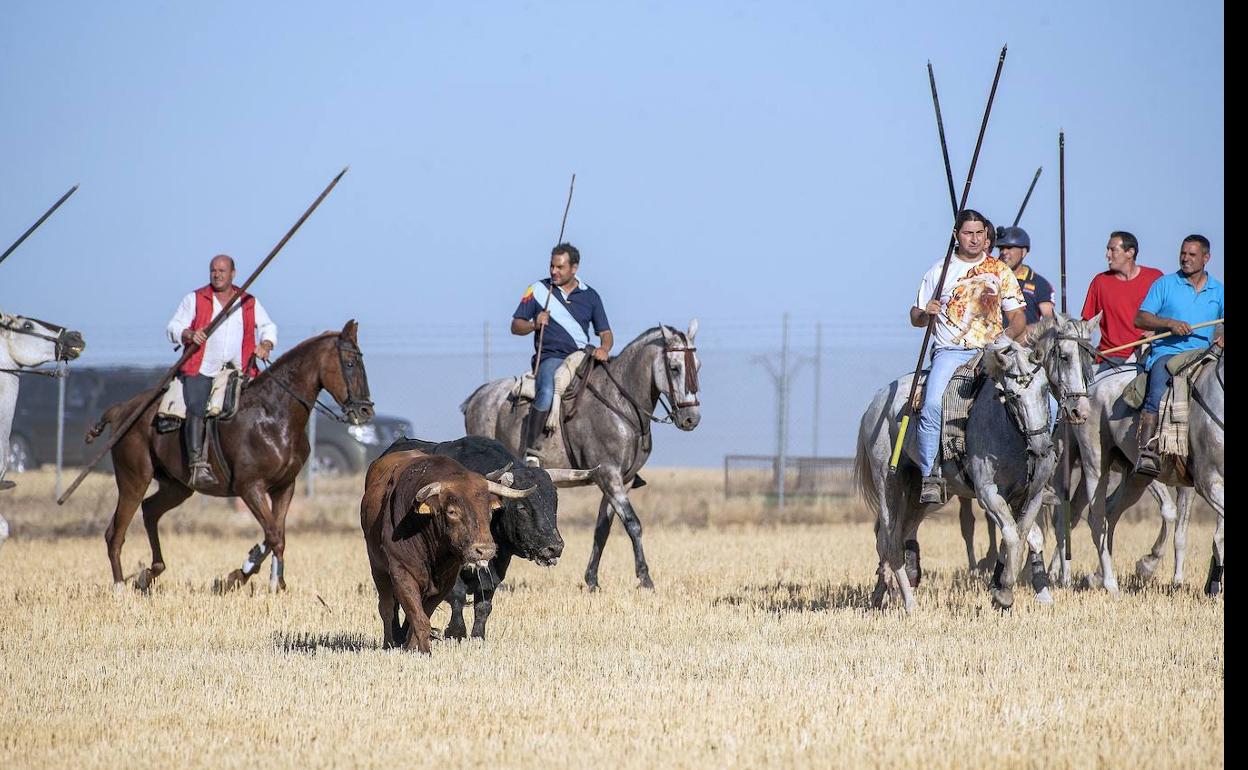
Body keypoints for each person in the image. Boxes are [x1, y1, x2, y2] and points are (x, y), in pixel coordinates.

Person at [912, 210, 1027, 503]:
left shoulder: (1000, 271)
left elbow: (1017, 319)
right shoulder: (939, 271)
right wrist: (927, 312)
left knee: (1038, 397)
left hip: (992, 350)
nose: (974, 239)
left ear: (986, 236)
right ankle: (931, 474)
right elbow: (915, 316)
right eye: (968, 233)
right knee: (933, 405)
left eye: (979, 234)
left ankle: (1039, 468)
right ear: (956, 236)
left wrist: (1004, 341)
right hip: (951, 351)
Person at [166, 255, 276, 488]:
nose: (217, 274)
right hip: (202, 367)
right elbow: (173, 326)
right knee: (196, 406)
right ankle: (196, 464)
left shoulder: (247, 301)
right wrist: (189, 333)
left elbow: (268, 326)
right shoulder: (195, 298)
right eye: (213, 270)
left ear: (233, 273)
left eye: (222, 270)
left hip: (240, 368)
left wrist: (266, 345)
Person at [511, 243, 612, 466]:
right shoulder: (537, 290)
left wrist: (604, 348)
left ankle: (618, 455)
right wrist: (534, 325)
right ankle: (531, 450)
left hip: (583, 357)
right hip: (551, 358)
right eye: (552, 266)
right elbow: (515, 326)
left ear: (574, 268)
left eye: (560, 267)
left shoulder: (590, 295)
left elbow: (605, 333)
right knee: (546, 391)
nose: (554, 271)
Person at [1131, 234, 1224, 476]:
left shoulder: (1218, 289)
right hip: (1169, 353)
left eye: (1192, 255)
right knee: (1158, 386)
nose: (1185, 259)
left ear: (1206, 258)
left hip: (1205, 355)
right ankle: (1147, 450)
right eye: (1183, 253)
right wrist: (1169, 323)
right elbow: (1140, 318)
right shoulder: (1165, 284)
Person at [1082, 231, 1163, 371]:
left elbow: (1171, 314)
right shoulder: (1099, 282)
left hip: (1150, 353)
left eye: (1113, 250)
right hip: (1112, 358)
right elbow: (1085, 324)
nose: (1107, 254)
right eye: (1107, 249)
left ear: (1130, 252)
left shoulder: (1155, 278)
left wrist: (1157, 331)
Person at [996, 226, 1055, 324]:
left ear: (1023, 252)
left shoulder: (1040, 284)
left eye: (1009, 248)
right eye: (1001, 248)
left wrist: (1031, 331)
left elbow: (1049, 319)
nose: (1004, 252)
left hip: (1026, 338)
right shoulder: (991, 278)